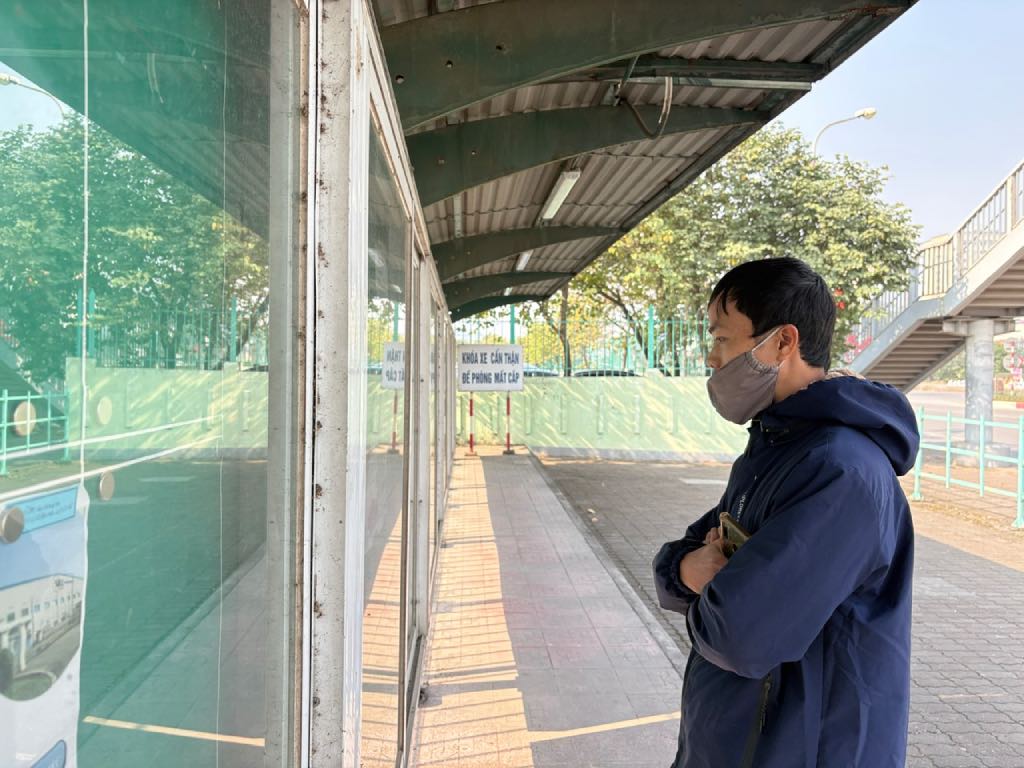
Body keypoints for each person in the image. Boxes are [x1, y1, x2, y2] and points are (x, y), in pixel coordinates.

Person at [653, 258, 918, 768]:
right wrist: (686, 570)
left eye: (722, 337)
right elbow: (686, 558)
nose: (711, 356)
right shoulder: (773, 449)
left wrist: (703, 586)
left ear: (782, 342)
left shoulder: (841, 471)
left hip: (800, 749)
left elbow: (740, 635)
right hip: (738, 741)